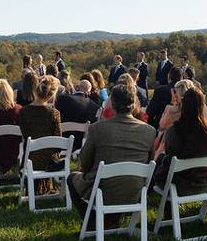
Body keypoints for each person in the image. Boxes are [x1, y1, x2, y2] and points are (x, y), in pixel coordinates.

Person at [67, 84, 156, 227]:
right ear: (133, 105)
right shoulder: (149, 131)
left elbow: (84, 164)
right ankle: (110, 221)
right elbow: (149, 162)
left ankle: (93, 224)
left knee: (72, 178)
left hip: (102, 191)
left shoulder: (98, 128)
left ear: (112, 105)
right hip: (135, 192)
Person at [153, 87, 207, 192]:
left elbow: (169, 151)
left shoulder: (175, 130)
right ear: (202, 106)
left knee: (161, 157)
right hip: (204, 182)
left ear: (184, 105)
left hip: (179, 184)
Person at [19, 75, 63, 195]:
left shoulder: (24, 111)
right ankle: (46, 187)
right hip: (50, 161)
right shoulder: (54, 113)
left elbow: (25, 135)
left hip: (30, 159)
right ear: (52, 95)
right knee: (47, 153)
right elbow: (58, 141)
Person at [55, 79, 100, 150]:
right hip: (79, 144)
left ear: (77, 88)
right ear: (89, 92)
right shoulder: (94, 107)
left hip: (60, 141)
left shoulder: (62, 98)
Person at [146, 66, 182, 130]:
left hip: (161, 127)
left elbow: (151, 111)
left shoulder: (161, 90)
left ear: (169, 77)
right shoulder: (186, 91)